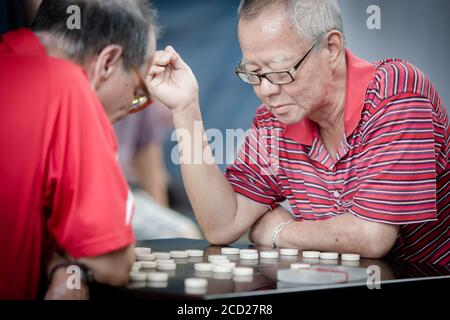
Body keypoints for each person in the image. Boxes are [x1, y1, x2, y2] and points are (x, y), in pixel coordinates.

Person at [146, 0, 449, 265]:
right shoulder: (274, 121)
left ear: (331, 47)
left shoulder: (398, 93)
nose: (265, 90)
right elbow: (222, 225)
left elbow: (372, 236)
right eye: (253, 73)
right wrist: (186, 110)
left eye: (279, 71)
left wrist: (279, 231)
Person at [0, 0, 158, 299]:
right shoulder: (67, 86)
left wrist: (59, 263)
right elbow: (111, 263)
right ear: (108, 62)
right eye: (139, 92)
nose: (131, 108)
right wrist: (66, 267)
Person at [114, 102, 202, 239]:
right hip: (104, 193)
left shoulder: (141, 102)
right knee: (183, 233)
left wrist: (161, 212)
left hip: (128, 190)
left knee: (191, 222)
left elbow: (150, 164)